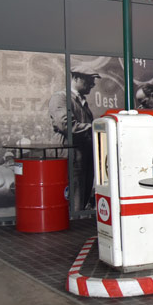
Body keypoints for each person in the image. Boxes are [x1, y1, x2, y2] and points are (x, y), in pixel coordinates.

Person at [49, 62, 100, 211]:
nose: (93, 84)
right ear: (76, 78)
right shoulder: (61, 98)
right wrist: (94, 127)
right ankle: (73, 223)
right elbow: (65, 125)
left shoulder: (80, 101)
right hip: (70, 153)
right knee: (73, 198)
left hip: (82, 154)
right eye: (89, 80)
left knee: (82, 196)